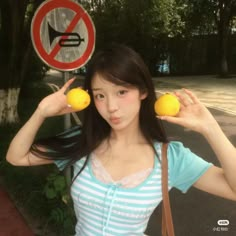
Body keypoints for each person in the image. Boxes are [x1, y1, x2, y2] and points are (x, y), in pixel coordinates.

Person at [6, 44, 236, 236]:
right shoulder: (82, 140)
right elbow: (16, 157)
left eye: (122, 92)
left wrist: (211, 129)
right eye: (100, 95)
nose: (111, 107)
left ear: (143, 92)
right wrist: (41, 111)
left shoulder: (170, 157)